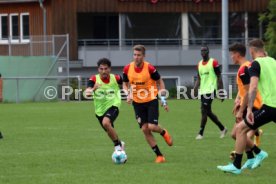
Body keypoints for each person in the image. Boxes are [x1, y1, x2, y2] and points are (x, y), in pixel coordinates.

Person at [217, 39, 276, 174]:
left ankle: (238, 165)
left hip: (270, 107)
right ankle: (250, 158)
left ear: (251, 50)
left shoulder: (256, 64)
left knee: (240, 129)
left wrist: (248, 109)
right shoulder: (273, 61)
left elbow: (252, 88)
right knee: (240, 130)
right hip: (271, 106)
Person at [122, 45, 173, 163]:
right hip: (137, 103)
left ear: (143, 56)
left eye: (139, 55)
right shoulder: (127, 68)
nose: (136, 57)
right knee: (145, 129)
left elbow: (160, 82)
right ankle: (159, 156)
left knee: (152, 127)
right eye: (134, 55)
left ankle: (163, 132)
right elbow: (125, 84)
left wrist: (163, 100)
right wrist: (127, 94)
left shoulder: (149, 68)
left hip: (151, 100)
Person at [228, 43, 263, 169]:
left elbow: (249, 91)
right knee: (235, 133)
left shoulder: (244, 69)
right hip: (251, 103)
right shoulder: (247, 66)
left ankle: (257, 153)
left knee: (238, 132)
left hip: (252, 105)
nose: (231, 57)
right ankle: (251, 157)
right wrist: (238, 99)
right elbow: (244, 88)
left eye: (232, 54)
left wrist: (241, 110)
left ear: (237, 54)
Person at [85, 58, 125, 152]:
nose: (104, 71)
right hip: (99, 111)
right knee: (109, 131)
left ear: (109, 69)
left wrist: (129, 93)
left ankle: (117, 147)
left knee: (106, 123)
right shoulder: (94, 79)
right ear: (98, 69)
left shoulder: (116, 78)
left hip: (114, 105)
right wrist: (94, 88)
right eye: (101, 69)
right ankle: (120, 143)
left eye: (106, 68)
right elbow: (87, 93)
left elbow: (126, 84)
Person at [194, 45, 227, 140]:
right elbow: (199, 78)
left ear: (208, 52)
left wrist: (221, 91)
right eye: (201, 51)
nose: (203, 52)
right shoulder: (199, 64)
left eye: (205, 50)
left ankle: (200, 133)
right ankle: (222, 128)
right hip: (203, 91)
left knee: (204, 110)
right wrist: (195, 89)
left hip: (211, 90)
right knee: (207, 112)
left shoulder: (214, 62)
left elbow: (219, 77)